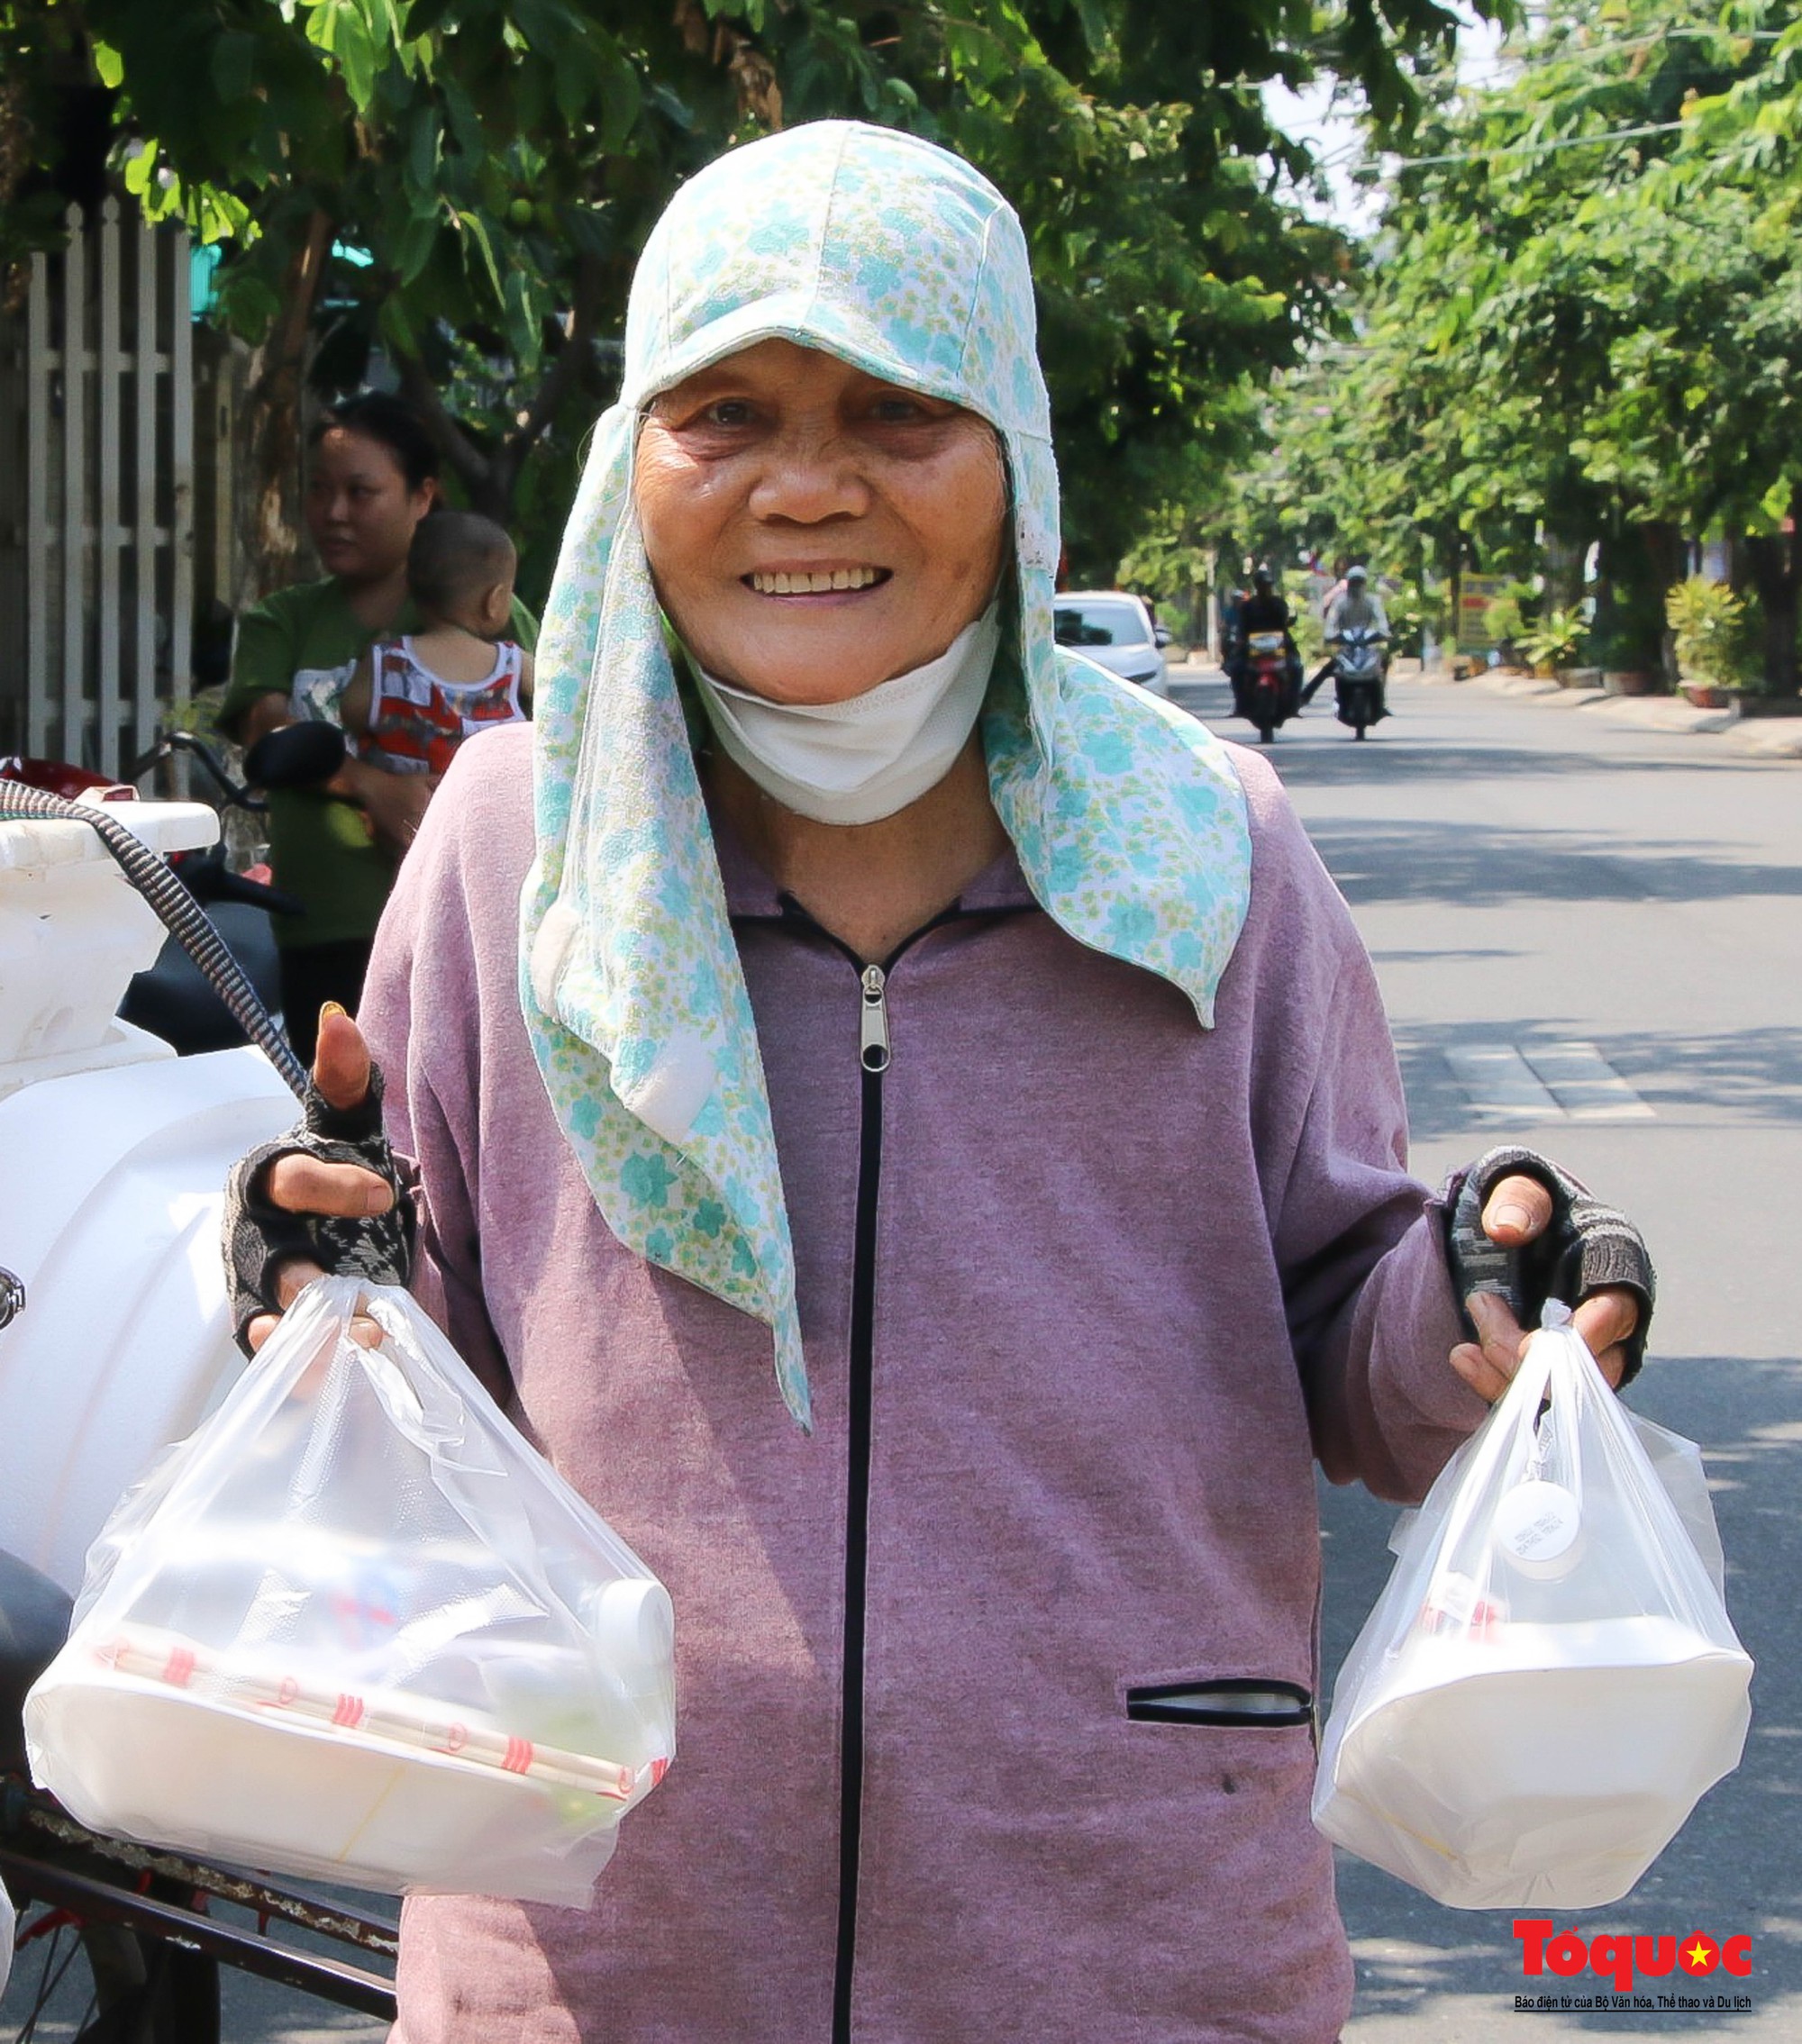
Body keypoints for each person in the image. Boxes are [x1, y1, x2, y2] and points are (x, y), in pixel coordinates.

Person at [223, 123, 1652, 2043]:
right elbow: (435, 1383)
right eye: (723, 409)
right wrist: (331, 1272)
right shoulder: (517, 853)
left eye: (898, 409)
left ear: (1014, 456)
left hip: (1128, 1937)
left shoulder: (1203, 845)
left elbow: (1349, 1318)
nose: (806, 488)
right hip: (605, 1946)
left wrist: (1481, 1307)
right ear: (630, 462)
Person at [218, 393, 539, 1062]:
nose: (333, 512)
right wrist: (369, 784)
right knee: (340, 1124)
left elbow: (558, 732)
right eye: (320, 490)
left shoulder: (500, 619)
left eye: (360, 492)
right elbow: (267, 729)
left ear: (423, 497)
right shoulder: (285, 619)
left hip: (481, 931)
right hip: (329, 931)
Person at [341, 512, 534, 786]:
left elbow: (351, 713)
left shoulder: (386, 663)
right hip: (486, 818)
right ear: (495, 601)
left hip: (410, 820)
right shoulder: (514, 665)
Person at [1229, 563, 1303, 716]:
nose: (1265, 588)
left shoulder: (1279, 604)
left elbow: (1284, 625)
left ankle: (1293, 705)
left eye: (1267, 585)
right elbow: (1242, 629)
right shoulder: (1247, 607)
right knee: (1236, 669)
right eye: (1262, 585)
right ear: (1257, 586)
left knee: (1296, 668)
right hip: (1252, 649)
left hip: (1278, 647)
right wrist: (1240, 642)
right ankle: (1240, 705)